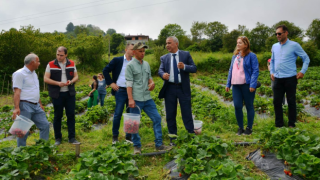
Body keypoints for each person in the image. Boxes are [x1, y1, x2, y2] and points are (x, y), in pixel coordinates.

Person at [126, 42, 172, 154]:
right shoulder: (130, 66)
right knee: (133, 123)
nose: (143, 53)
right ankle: (136, 146)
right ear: (134, 52)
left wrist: (152, 83)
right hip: (136, 99)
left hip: (147, 98)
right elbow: (129, 84)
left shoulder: (146, 64)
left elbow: (150, 78)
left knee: (157, 118)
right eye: (140, 51)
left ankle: (159, 144)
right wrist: (130, 99)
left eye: (144, 51)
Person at [158, 36, 197, 145]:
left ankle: (191, 135)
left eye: (169, 43)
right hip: (169, 88)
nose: (167, 45)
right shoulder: (164, 58)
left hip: (182, 87)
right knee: (170, 113)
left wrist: (185, 67)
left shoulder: (185, 54)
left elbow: (194, 68)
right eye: (166, 43)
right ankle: (173, 138)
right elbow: (160, 70)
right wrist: (163, 74)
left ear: (176, 44)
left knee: (187, 112)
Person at [270, 25, 310, 128]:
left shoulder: (294, 45)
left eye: (279, 33)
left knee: (291, 102)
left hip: (290, 78)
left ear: (286, 33)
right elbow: (273, 60)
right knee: (276, 102)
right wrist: (272, 72)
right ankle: (279, 125)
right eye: (276, 34)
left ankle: (292, 124)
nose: (277, 35)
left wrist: (302, 71)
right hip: (277, 78)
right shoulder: (274, 46)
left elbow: (306, 58)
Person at [12, 53, 50, 147]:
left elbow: (35, 90)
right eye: (38, 61)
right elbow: (17, 92)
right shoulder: (19, 74)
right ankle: (20, 152)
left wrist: (40, 103)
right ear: (32, 62)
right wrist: (16, 108)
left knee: (45, 125)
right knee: (22, 131)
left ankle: (43, 148)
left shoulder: (34, 74)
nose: (39, 63)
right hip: (24, 105)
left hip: (36, 105)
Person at [44, 46, 80, 145]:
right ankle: (58, 138)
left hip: (69, 93)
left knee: (71, 115)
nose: (59, 57)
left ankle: (72, 138)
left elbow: (76, 76)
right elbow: (46, 79)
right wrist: (57, 83)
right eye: (57, 55)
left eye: (61, 55)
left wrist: (71, 81)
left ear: (66, 55)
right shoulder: (51, 64)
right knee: (57, 116)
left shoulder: (72, 63)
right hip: (57, 94)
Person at [226, 36, 259, 135]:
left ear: (246, 44)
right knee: (237, 106)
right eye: (237, 43)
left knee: (249, 106)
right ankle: (240, 127)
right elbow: (231, 70)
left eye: (240, 43)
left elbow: (255, 71)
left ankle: (249, 128)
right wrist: (228, 83)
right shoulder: (235, 56)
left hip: (247, 85)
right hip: (236, 85)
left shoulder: (251, 56)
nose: (237, 44)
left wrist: (253, 84)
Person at [103, 43, 134, 144]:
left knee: (130, 114)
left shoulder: (135, 62)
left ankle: (128, 137)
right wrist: (111, 83)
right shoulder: (117, 60)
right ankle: (115, 136)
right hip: (120, 90)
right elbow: (105, 70)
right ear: (126, 49)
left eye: (134, 50)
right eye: (131, 49)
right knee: (118, 114)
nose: (133, 51)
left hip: (132, 91)